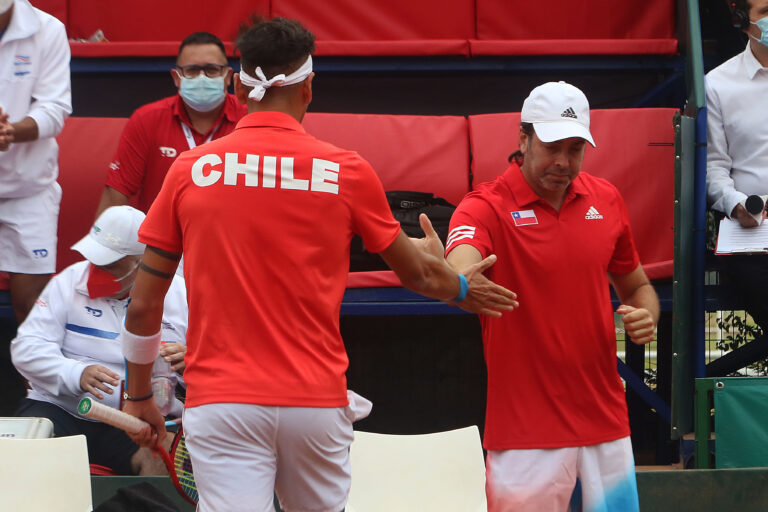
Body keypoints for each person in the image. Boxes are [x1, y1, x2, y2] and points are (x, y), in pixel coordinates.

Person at [118, 17, 517, 512]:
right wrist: (458, 287)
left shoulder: (190, 170)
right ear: (309, 87)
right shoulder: (346, 171)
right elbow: (418, 274)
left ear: (237, 87)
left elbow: (143, 305)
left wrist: (139, 396)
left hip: (223, 403)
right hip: (315, 403)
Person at [445, 81, 659, 512]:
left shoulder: (607, 199)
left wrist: (646, 315)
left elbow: (637, 286)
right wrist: (461, 280)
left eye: (575, 148)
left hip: (606, 421)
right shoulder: (483, 206)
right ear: (522, 139)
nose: (563, 162)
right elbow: (461, 263)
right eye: (551, 146)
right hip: (525, 431)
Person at [10, 206, 188, 475]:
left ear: (143, 260)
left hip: (142, 420)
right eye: (95, 260)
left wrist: (193, 359)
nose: (97, 270)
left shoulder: (183, 297)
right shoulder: (68, 281)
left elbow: (223, 362)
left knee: (164, 460)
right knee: (20, 457)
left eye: (110, 264)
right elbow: (25, 349)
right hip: (60, 409)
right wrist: (76, 373)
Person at [95, 31, 247, 216]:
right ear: (176, 78)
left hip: (227, 238)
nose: (201, 78)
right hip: (161, 240)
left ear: (228, 76)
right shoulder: (147, 120)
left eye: (211, 70)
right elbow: (115, 195)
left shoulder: (248, 118)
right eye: (191, 71)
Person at [0, 0, 71, 322]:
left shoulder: (49, 30)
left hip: (30, 190)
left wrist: (9, 132)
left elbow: (55, 110)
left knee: (33, 313)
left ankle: (36, 374)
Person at [706, 0, 768, 334]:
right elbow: (714, 167)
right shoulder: (718, 84)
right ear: (743, 22)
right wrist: (735, 204)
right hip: (754, 228)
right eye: (765, 10)